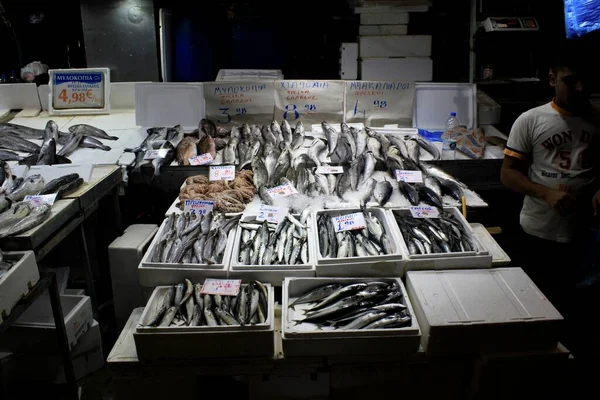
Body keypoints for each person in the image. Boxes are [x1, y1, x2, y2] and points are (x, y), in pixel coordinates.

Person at [500, 43, 600, 321]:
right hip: (538, 231)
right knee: (535, 308)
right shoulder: (530, 120)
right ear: (552, 79)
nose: (579, 88)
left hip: (585, 233)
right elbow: (508, 173)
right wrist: (546, 194)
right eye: (570, 81)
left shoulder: (598, 120)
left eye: (585, 81)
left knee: (579, 310)